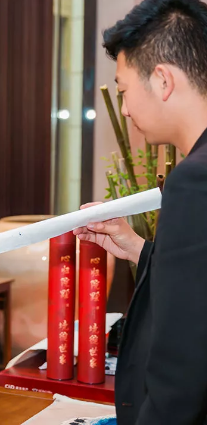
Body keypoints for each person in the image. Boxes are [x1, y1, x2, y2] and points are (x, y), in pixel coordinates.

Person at [74, 0, 207, 423]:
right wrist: (137, 248)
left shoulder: (194, 180)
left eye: (124, 91)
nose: (126, 109)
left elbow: (182, 364)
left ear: (163, 80)